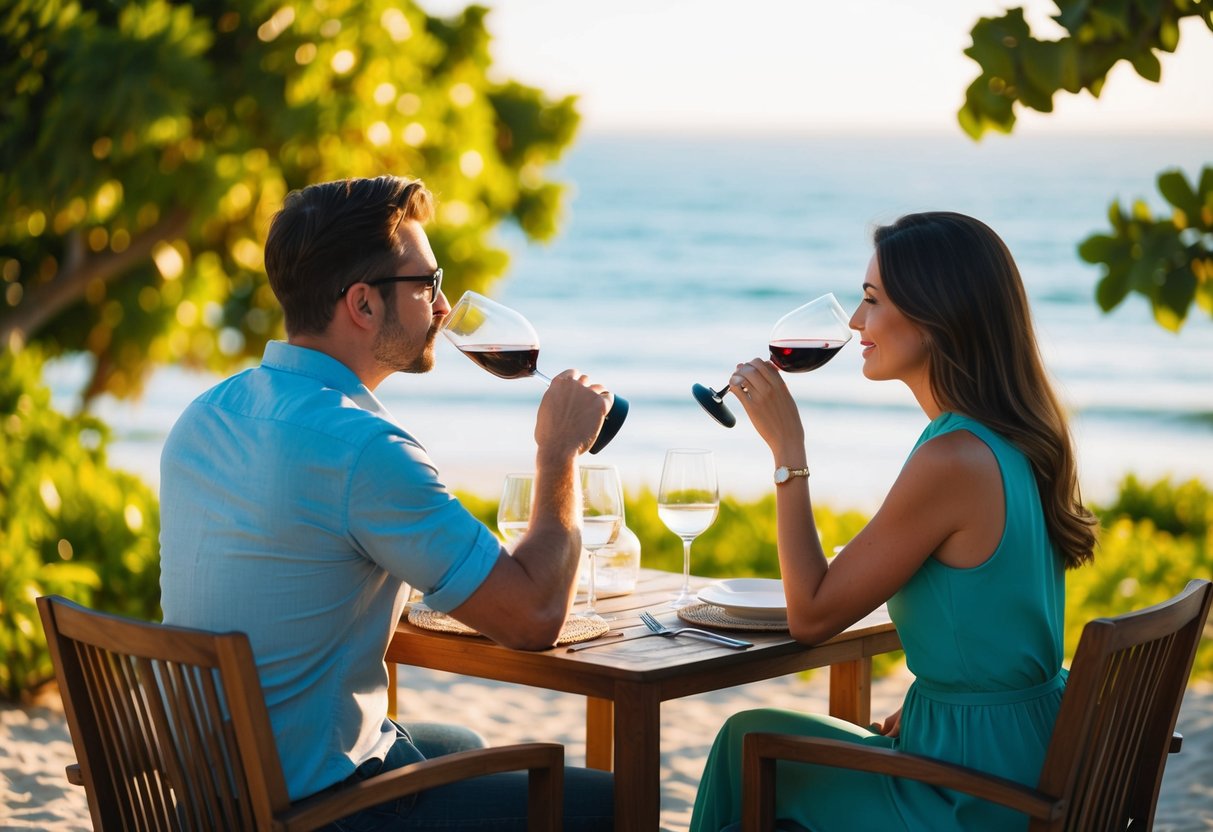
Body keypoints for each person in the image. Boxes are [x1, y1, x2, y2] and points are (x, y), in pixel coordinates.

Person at [159, 175, 614, 830]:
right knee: (606, 800)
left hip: (212, 797)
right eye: (426, 284)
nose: (444, 306)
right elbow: (534, 615)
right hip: (311, 811)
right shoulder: (361, 448)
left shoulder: (207, 414)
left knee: (456, 746)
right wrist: (558, 452)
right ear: (363, 304)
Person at [690, 211, 1098, 831]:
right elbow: (999, 620)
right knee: (755, 737)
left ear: (935, 319)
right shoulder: (1012, 436)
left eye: (872, 301)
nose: (856, 322)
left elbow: (812, 615)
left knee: (747, 742)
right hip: (1016, 750)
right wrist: (947, 703)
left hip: (974, 796)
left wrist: (788, 454)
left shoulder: (954, 458)